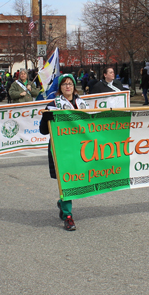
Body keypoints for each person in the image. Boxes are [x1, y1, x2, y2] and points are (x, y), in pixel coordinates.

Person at [39, 74, 88, 231]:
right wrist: (48, 117)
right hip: (61, 149)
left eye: (70, 84)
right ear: (60, 88)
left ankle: (62, 202)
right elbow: (43, 131)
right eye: (64, 84)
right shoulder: (53, 105)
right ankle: (68, 216)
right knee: (67, 180)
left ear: (74, 86)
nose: (68, 86)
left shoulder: (82, 104)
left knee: (77, 179)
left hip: (79, 147)